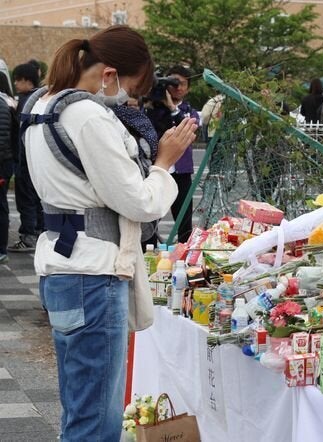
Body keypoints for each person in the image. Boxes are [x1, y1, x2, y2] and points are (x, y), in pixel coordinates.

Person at [22, 26, 197, 440]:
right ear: (110, 73)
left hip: (62, 264)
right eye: (131, 88)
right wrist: (164, 162)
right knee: (98, 421)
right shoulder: (86, 115)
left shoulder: (43, 103)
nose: (129, 99)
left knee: (80, 409)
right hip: (93, 273)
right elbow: (137, 200)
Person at [146, 65, 200, 244]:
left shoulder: (188, 111)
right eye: (173, 83)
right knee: (151, 217)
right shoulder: (152, 109)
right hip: (159, 170)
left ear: (188, 88)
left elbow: (190, 130)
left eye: (182, 84)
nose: (177, 87)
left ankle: (185, 257)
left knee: (184, 220)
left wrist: (172, 108)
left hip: (182, 173)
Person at [9, 62, 42, 252]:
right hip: (36, 158)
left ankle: (28, 235)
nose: (15, 83)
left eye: (17, 80)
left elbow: (20, 132)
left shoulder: (25, 101)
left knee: (26, 198)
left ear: (27, 81)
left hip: (24, 158)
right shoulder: (40, 99)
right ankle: (38, 231)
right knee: (37, 197)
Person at [0, 81, 15, 264]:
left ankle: (1, 249)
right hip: (6, 160)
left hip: (2, 162)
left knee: (1, 205)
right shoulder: (7, 102)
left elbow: (2, 138)